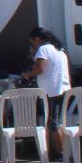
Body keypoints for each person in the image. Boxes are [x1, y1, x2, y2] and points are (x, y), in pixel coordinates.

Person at [20, 27, 71, 155]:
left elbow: (39, 69)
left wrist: (27, 74)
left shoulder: (43, 49)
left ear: (37, 39)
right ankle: (59, 150)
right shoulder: (59, 48)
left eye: (32, 43)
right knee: (56, 121)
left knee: (54, 124)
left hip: (52, 90)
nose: (33, 46)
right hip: (63, 87)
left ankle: (62, 153)